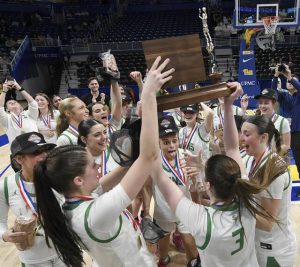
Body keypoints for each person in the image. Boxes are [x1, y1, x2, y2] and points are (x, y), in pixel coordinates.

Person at [32, 56, 174, 267]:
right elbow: (150, 156)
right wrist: (149, 95)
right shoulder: (97, 213)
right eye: (92, 165)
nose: (98, 165)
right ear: (78, 180)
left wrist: (129, 163)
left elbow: (105, 182)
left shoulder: (73, 204)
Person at [150, 82, 276, 267]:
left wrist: (147, 102)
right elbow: (233, 149)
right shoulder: (246, 203)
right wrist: (228, 103)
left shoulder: (201, 219)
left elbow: (159, 176)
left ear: (207, 186)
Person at [0, 132, 66, 267]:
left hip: (64, 253)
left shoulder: (57, 177)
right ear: (19, 159)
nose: (43, 156)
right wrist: (4, 235)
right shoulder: (6, 186)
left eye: (45, 150)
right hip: (33, 260)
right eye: (36, 152)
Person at [154, 115, 200, 267]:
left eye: (174, 141)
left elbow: (194, 186)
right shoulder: (153, 160)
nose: (171, 145)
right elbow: (147, 187)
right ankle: (163, 259)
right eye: (166, 142)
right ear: (158, 142)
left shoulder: (186, 156)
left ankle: (193, 262)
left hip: (184, 208)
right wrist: (146, 213)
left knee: (190, 245)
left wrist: (197, 205)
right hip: (163, 212)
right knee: (164, 246)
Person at [271, 64, 300, 175]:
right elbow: (272, 93)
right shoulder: (283, 95)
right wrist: (276, 75)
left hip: (297, 133)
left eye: (292, 81)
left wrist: (289, 77)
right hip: (283, 133)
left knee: (299, 161)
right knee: (281, 160)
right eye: (287, 81)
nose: (289, 83)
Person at [0, 79, 38, 146]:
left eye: (15, 102)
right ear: (7, 109)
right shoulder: (7, 120)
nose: (13, 102)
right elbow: (0, 108)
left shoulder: (29, 114)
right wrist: (4, 91)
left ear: (21, 106)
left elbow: (33, 104)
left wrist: (19, 88)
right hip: (20, 152)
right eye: (9, 103)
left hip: (36, 146)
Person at [254, 88, 291, 153]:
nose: (262, 106)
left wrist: (268, 153)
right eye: (260, 103)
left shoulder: (283, 121)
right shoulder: (256, 121)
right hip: (259, 160)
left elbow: (286, 145)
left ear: (274, 104)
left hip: (277, 160)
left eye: (266, 103)